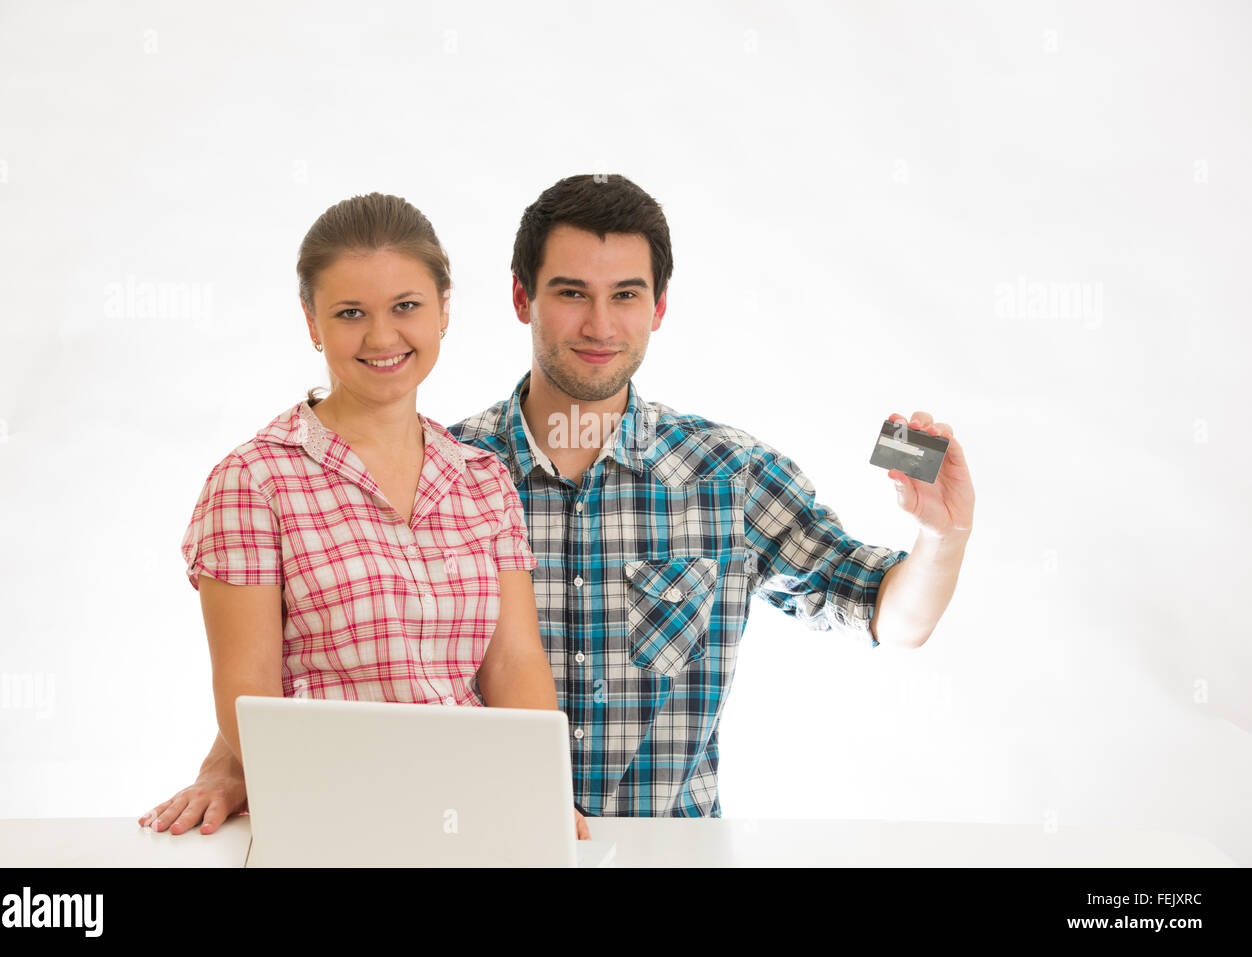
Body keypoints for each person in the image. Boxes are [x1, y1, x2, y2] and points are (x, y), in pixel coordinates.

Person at [141, 174, 975, 830]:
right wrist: (235, 757)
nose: (599, 323)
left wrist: (942, 539)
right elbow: (358, 648)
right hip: (465, 844)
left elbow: (887, 616)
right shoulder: (459, 467)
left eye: (626, 295)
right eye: (572, 291)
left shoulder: (729, 473)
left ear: (659, 306)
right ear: (520, 300)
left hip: (663, 851)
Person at [146, 192, 589, 839]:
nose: (382, 337)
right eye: (351, 312)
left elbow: (515, 661)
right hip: (329, 821)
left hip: (475, 820)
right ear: (311, 321)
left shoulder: (482, 479)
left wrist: (540, 792)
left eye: (406, 306)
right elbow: (249, 696)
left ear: (443, 309)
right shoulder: (253, 481)